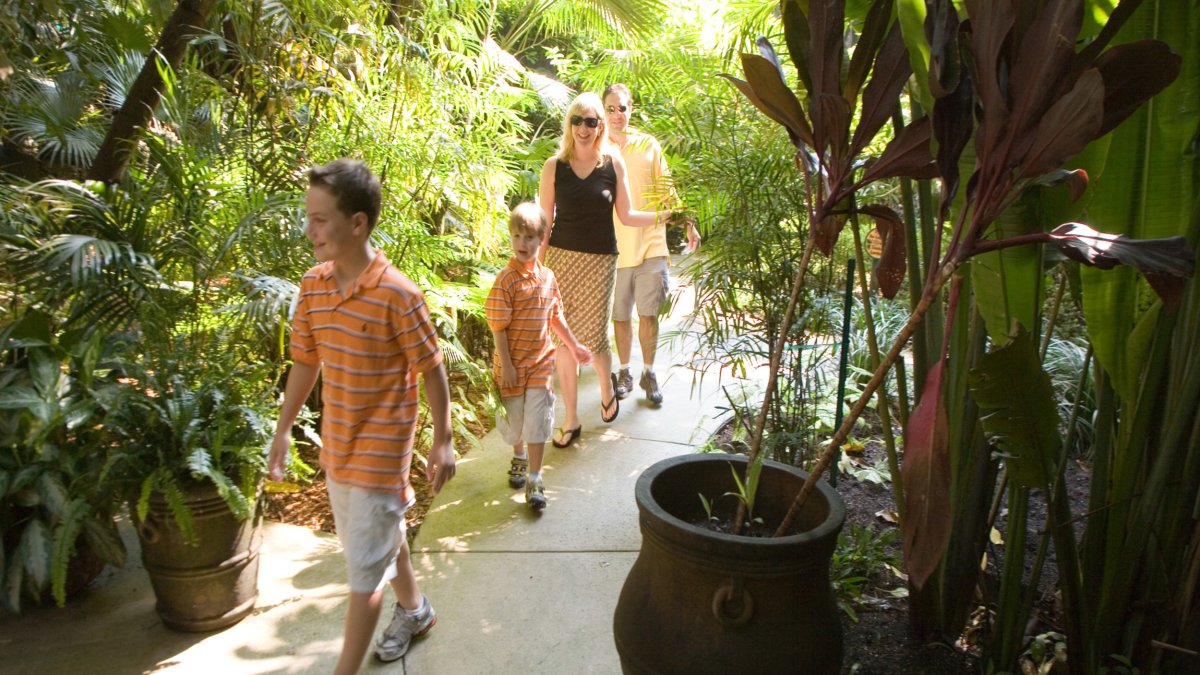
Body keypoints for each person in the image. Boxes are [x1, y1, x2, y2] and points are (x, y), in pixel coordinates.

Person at [268, 158, 456, 674]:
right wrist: (284, 429)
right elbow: (306, 361)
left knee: (364, 576)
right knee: (376, 541)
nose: (309, 230)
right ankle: (416, 611)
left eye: (320, 219)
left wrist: (443, 440)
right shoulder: (312, 287)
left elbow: (433, 369)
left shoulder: (398, 294)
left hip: (381, 454)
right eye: (308, 217)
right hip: (339, 447)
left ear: (357, 223)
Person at [538, 92, 676, 448]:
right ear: (569, 124)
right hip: (562, 260)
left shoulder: (612, 164)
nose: (584, 128)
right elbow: (544, 221)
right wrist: (536, 268)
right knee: (563, 342)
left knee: (596, 336)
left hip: (600, 260)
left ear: (600, 126)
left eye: (591, 121)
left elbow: (627, 214)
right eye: (577, 121)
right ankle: (570, 419)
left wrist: (663, 216)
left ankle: (606, 388)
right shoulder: (554, 166)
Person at [486, 202, 592, 509]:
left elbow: (555, 316)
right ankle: (518, 455)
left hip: (541, 364)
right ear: (511, 237)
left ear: (541, 239)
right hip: (512, 366)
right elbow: (498, 326)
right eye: (518, 236)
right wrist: (506, 364)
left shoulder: (548, 278)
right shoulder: (506, 280)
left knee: (539, 420)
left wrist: (573, 346)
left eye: (530, 237)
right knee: (515, 423)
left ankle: (534, 477)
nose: (523, 243)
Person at [603, 83, 701, 405]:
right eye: (611, 109)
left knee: (648, 313)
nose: (618, 115)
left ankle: (649, 372)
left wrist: (688, 223)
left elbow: (666, 190)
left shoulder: (649, 145)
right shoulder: (598, 148)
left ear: (631, 109)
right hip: (614, 247)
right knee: (620, 316)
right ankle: (625, 371)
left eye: (623, 108)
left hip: (651, 243)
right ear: (604, 112)